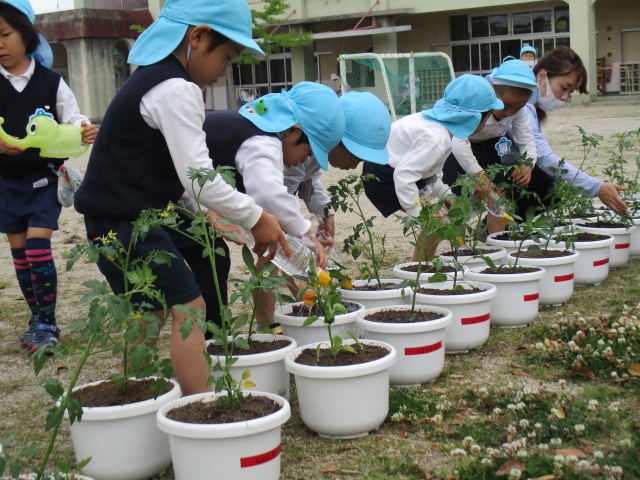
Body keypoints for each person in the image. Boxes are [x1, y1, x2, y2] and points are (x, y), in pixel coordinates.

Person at [73, 0, 287, 396]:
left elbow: (163, 170)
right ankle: (202, 404)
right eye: (226, 56)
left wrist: (208, 216)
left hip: (142, 211)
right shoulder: (175, 89)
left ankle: (143, 384)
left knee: (196, 265)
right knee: (186, 306)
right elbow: (200, 179)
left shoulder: (157, 80)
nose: (225, 68)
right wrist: (256, 217)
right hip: (123, 216)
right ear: (198, 36)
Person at [188, 81, 346, 333]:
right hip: (160, 187)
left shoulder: (258, 128)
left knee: (212, 262)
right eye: (307, 151)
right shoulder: (263, 141)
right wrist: (305, 234)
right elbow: (267, 193)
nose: (305, 160)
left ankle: (215, 335)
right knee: (205, 265)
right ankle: (214, 337)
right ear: (294, 131)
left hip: (183, 189)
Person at [0, 0, 97, 354]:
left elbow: (73, 118)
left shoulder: (51, 82)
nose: (0, 44)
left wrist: (83, 129)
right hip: (6, 182)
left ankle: (46, 322)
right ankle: (36, 316)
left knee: (37, 246)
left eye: (5, 34)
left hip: (43, 178)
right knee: (19, 254)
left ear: (26, 35)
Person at [255, 90, 392, 330]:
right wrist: (304, 234)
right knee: (273, 257)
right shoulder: (293, 150)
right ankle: (268, 326)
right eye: (353, 156)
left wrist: (325, 214)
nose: (353, 166)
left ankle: (308, 313)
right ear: (335, 138)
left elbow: (310, 183)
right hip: (269, 205)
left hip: (279, 207)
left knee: (287, 255)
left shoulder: (314, 152)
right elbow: (277, 201)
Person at [363, 74, 504, 260]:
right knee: (436, 221)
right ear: (475, 118)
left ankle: (427, 265)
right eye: (488, 116)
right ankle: (418, 271)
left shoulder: (439, 128)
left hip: (394, 168)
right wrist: (418, 213)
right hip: (384, 174)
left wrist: (445, 194)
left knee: (443, 216)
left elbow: (431, 171)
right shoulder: (436, 138)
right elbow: (404, 175)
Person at [513, 46, 627, 215]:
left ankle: (504, 231)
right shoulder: (522, 107)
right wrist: (596, 187)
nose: (565, 97)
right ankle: (497, 231)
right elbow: (544, 157)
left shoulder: (531, 108)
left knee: (548, 183)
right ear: (542, 76)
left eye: (570, 91)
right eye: (564, 87)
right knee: (547, 184)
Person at [442, 60, 539, 233]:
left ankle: (498, 242)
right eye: (505, 105)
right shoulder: (475, 103)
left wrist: (528, 163)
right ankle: (459, 248)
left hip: (490, 146)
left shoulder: (519, 111)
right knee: (457, 201)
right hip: (458, 149)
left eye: (517, 108)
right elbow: (458, 141)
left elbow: (527, 141)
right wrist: (479, 176)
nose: (509, 113)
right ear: (492, 89)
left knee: (497, 196)